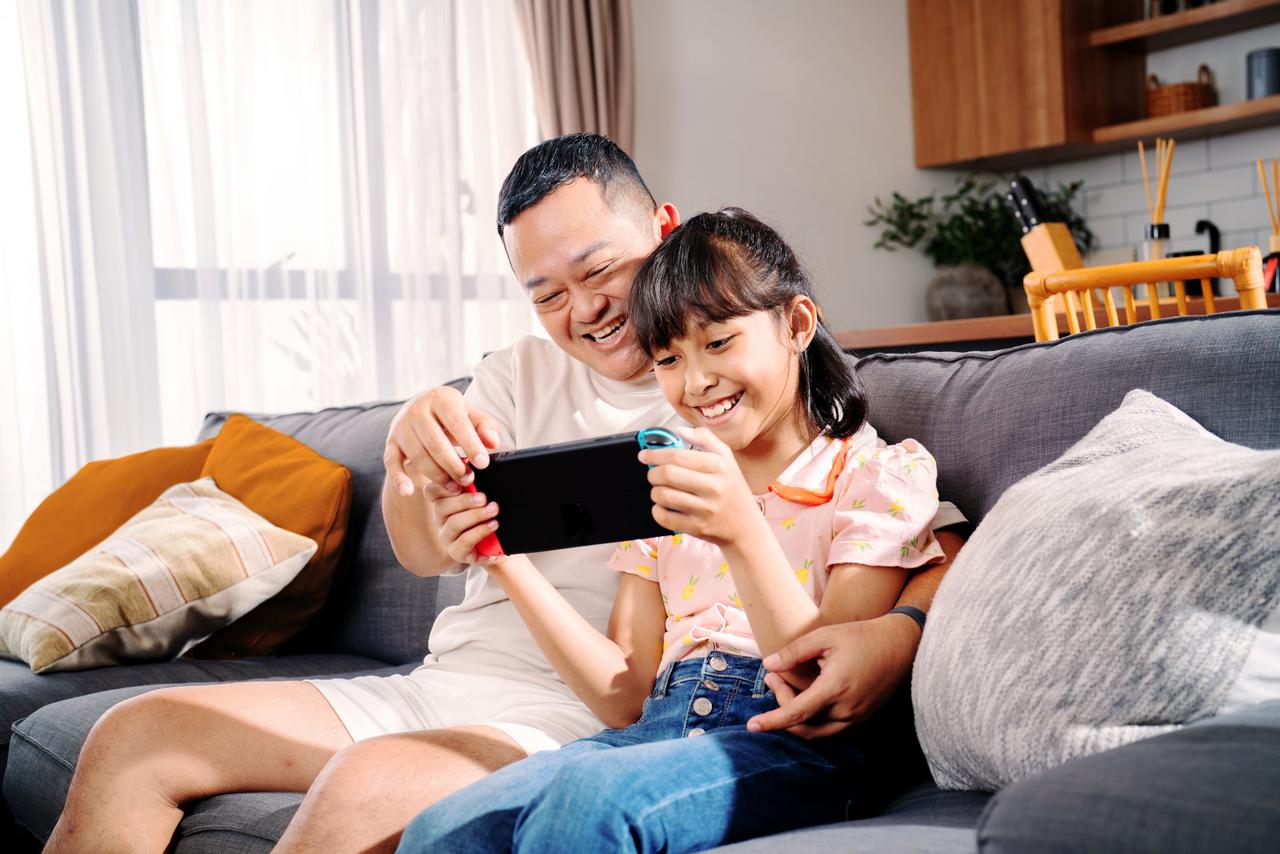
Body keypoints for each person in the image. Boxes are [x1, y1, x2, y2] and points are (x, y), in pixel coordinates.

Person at [45, 135, 961, 854]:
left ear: (664, 229)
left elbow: (927, 544)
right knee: (136, 734)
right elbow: (425, 550)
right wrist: (414, 453)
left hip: (573, 713)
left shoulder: (748, 400)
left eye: (600, 269)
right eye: (548, 292)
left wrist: (899, 630)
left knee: (386, 787)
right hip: (468, 681)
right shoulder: (520, 376)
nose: (588, 310)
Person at [395, 207, 949, 853]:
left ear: (797, 324)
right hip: (653, 731)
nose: (696, 381)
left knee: (590, 806)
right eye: (668, 359)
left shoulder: (877, 473)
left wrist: (742, 534)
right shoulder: (664, 487)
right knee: (445, 824)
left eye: (717, 343)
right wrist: (503, 559)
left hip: (789, 741)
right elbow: (623, 697)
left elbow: (815, 690)